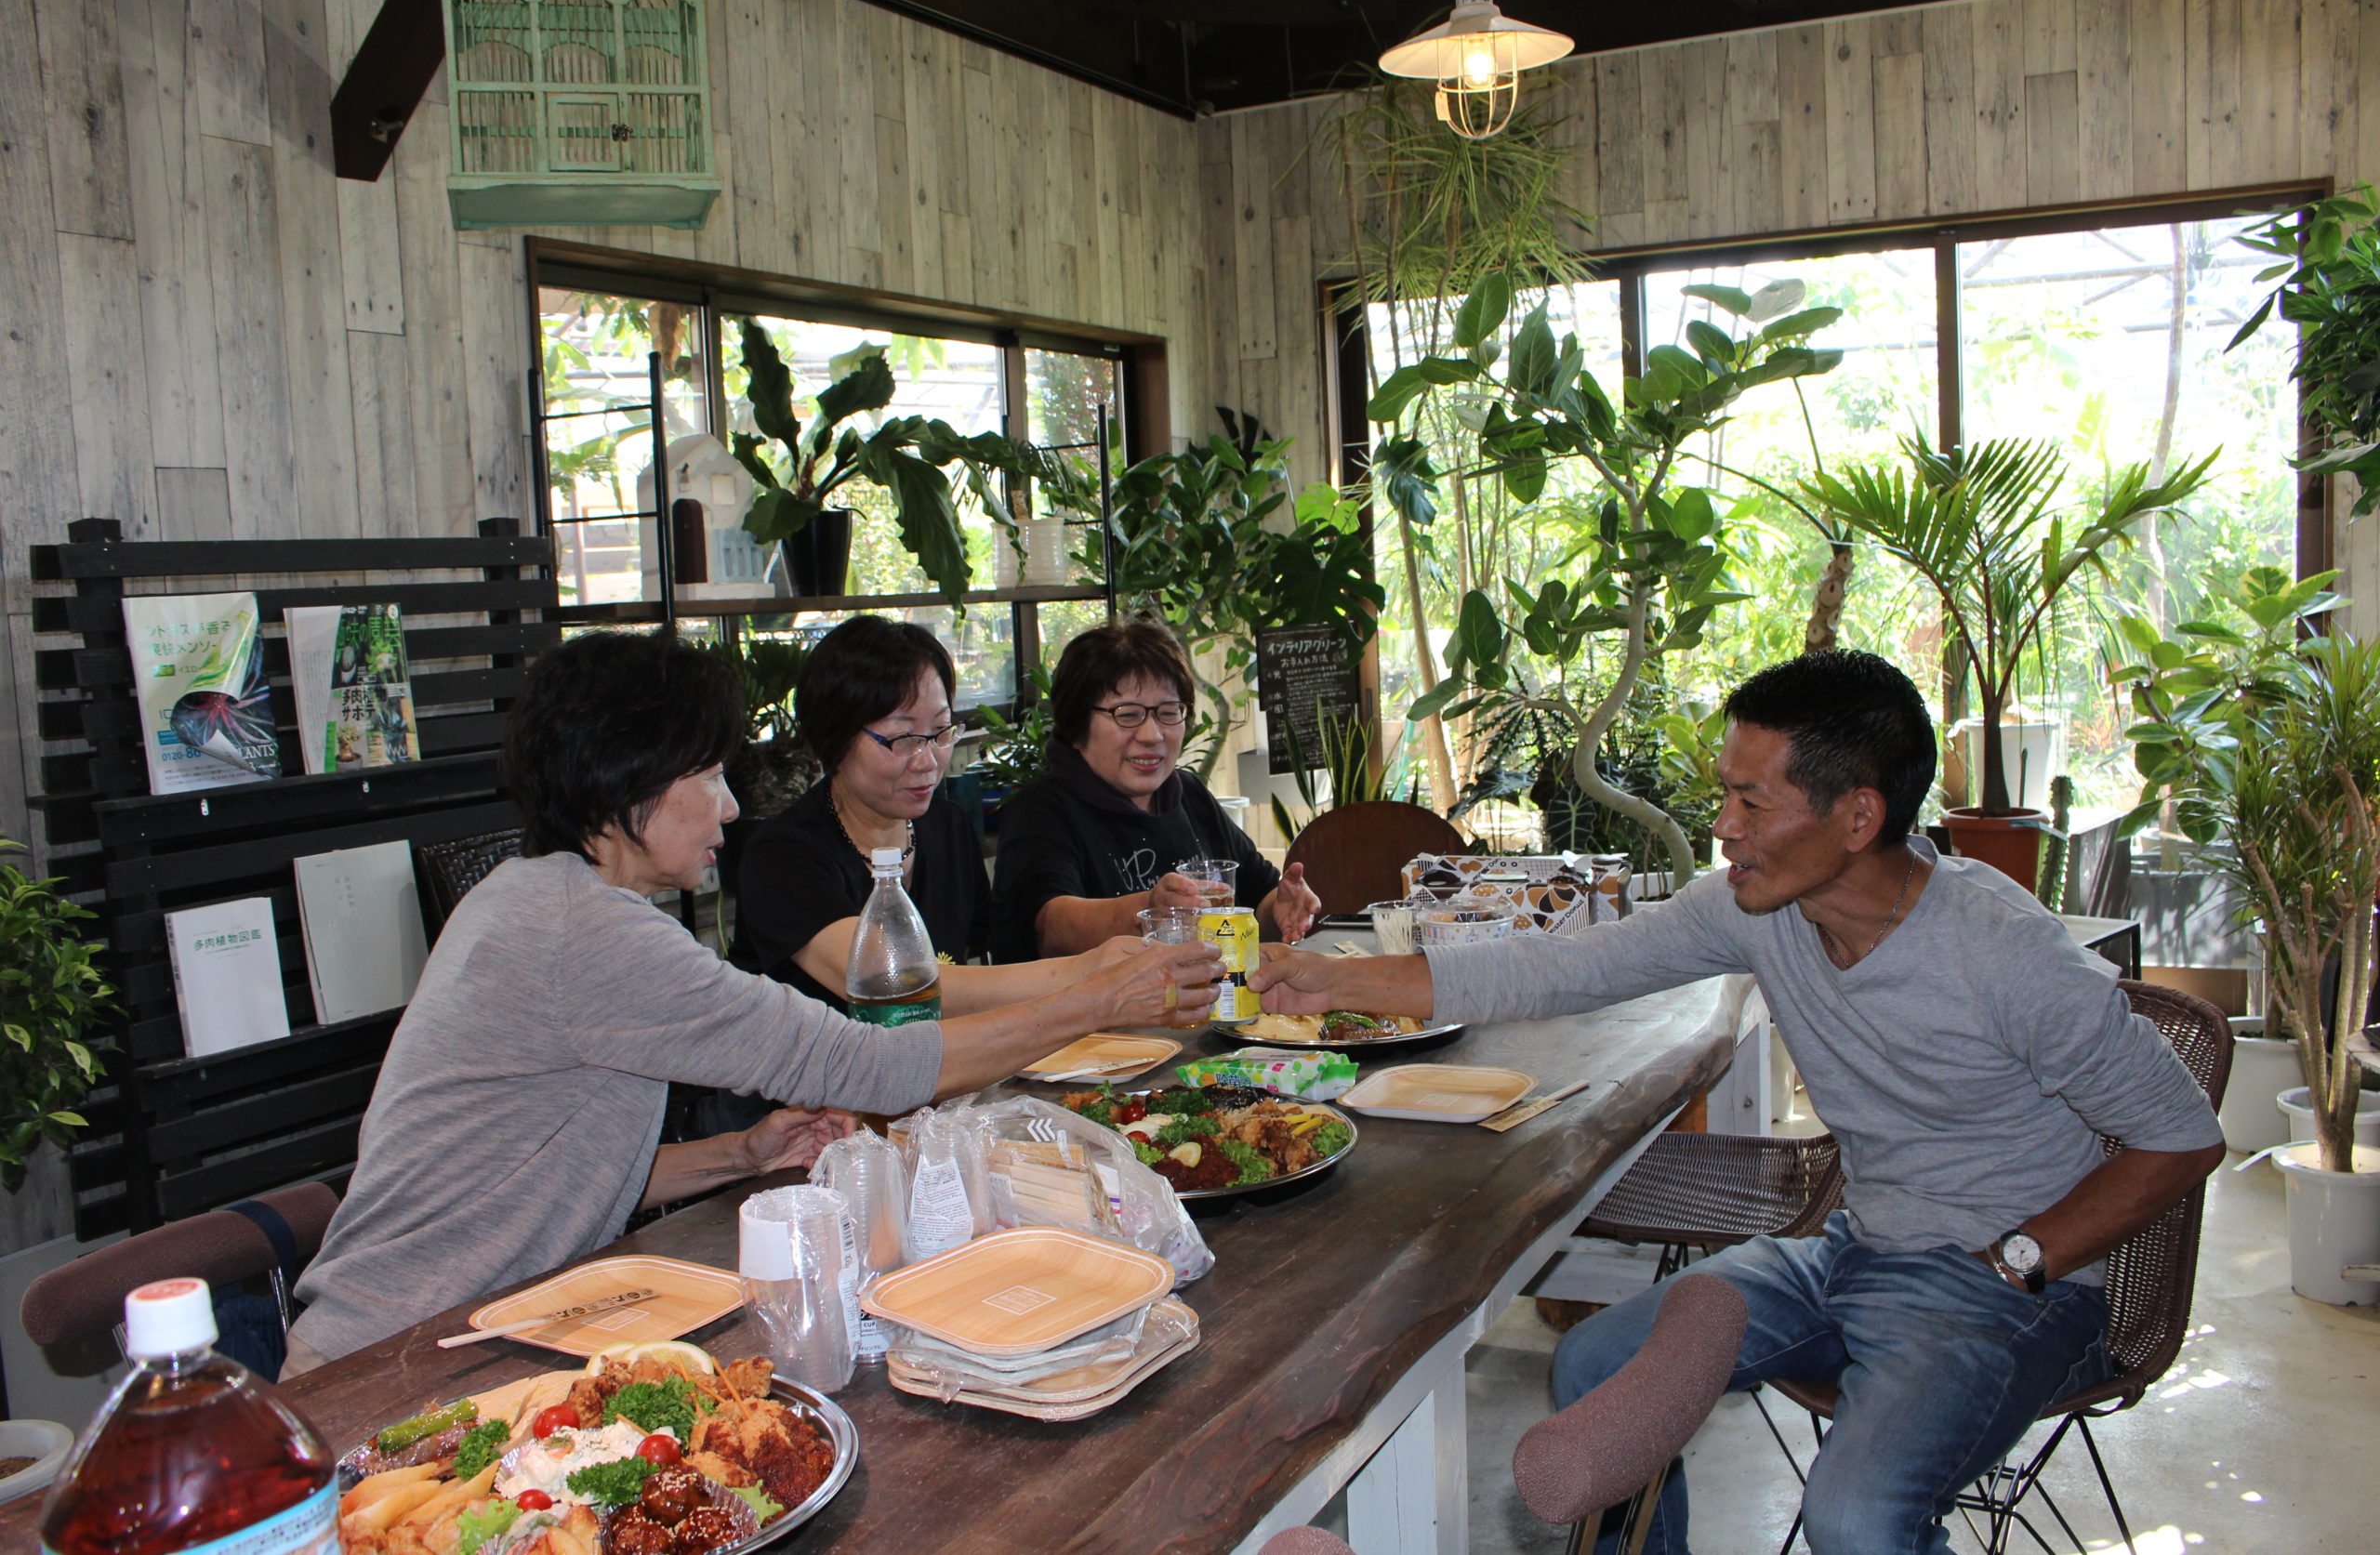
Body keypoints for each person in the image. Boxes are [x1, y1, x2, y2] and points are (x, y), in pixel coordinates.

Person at [1247, 649, 2224, 1555]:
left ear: (1857, 816)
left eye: (1750, 802)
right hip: (1855, 1254)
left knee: (1856, 1515)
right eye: (1725, 795)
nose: (1724, 826)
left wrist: (2017, 1262)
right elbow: (1563, 968)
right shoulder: (1759, 909)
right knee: (1595, 1366)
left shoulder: (2003, 952)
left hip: (2001, 1291)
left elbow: (2180, 1140)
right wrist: (1337, 981)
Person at [284, 631, 1221, 1370]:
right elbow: (870, 1062)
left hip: (493, 1320)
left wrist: (739, 1150)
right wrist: (1095, 999)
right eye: (707, 778)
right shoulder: (590, 933)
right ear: (629, 784)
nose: (730, 808)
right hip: (392, 1357)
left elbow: (543, 1166)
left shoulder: (534, 900)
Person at [734, 615, 1152, 1008]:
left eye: (940, 732)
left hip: (940, 1073)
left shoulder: (945, 827)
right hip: (820, 1082)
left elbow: (985, 960)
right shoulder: (782, 857)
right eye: (902, 738)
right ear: (834, 739)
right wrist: (1085, 971)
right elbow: (892, 983)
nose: (929, 760)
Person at [990, 619, 1322, 963]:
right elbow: (1052, 929)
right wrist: (1150, 911)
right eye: (1128, 715)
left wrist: (1279, 910)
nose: (1152, 735)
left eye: (1168, 713)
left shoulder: (1188, 794)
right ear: (1076, 726)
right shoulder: (1040, 810)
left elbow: (1255, 898)